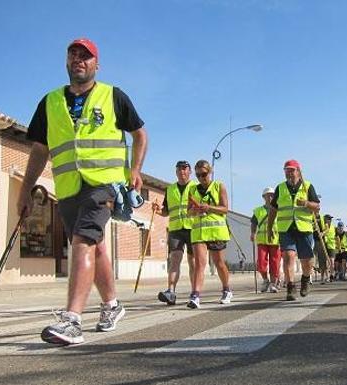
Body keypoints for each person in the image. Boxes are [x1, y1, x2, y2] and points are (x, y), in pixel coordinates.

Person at [19, 38, 148, 345]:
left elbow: (140, 135)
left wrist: (135, 169)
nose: (78, 59)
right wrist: (24, 191)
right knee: (97, 246)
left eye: (85, 56)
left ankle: (72, 320)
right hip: (67, 188)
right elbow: (39, 150)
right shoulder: (50, 102)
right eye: (73, 55)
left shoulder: (113, 96)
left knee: (83, 241)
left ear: (96, 64)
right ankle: (112, 306)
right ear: (66, 62)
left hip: (103, 184)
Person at [267, 160, 320, 301]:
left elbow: (317, 207)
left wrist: (306, 203)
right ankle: (290, 287)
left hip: (304, 228)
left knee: (307, 260)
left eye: (291, 170)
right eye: (286, 170)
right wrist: (269, 228)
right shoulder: (280, 188)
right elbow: (273, 209)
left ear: (298, 171)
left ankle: (305, 279)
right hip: (286, 229)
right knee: (289, 256)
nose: (288, 173)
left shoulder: (307, 186)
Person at [186, 160, 232, 309]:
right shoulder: (192, 190)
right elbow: (189, 212)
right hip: (199, 232)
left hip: (216, 231)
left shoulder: (219, 186)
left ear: (210, 172)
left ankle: (226, 289)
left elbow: (225, 209)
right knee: (199, 263)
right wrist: (195, 210)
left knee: (219, 263)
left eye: (204, 174)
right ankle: (195, 295)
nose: (201, 178)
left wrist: (208, 207)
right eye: (198, 175)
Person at [152, 161, 197, 305]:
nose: (182, 172)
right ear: (176, 172)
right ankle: (171, 292)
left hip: (193, 228)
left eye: (184, 169)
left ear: (190, 172)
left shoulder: (196, 187)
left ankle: (195, 292)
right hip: (176, 229)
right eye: (179, 169)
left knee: (193, 262)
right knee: (174, 260)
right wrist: (158, 210)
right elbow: (166, 211)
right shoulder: (170, 189)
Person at [251, 187, 281, 293]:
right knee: (261, 263)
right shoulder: (258, 210)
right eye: (268, 195)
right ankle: (265, 280)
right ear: (264, 197)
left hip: (275, 240)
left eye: (272, 195)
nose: (270, 197)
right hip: (262, 240)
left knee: (275, 263)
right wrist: (252, 233)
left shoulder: (279, 209)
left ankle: (273, 283)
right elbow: (254, 222)